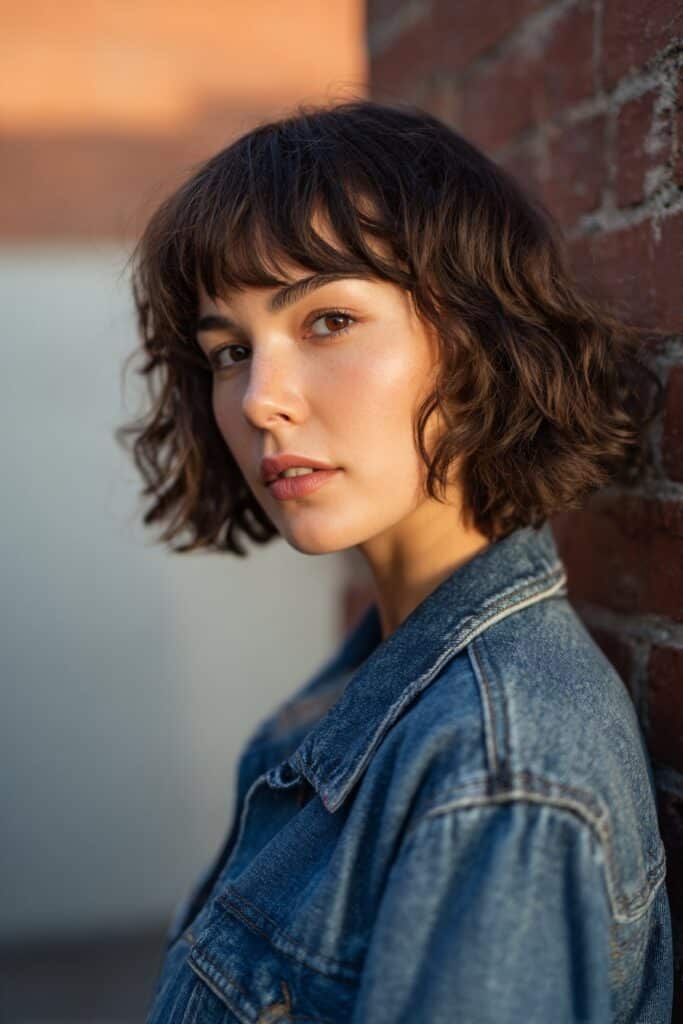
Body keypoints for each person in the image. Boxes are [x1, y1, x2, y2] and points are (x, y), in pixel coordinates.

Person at [116, 98, 673, 1022]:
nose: (259, 399)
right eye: (228, 351)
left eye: (327, 321)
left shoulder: (496, 775)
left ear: (475, 337)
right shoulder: (366, 687)